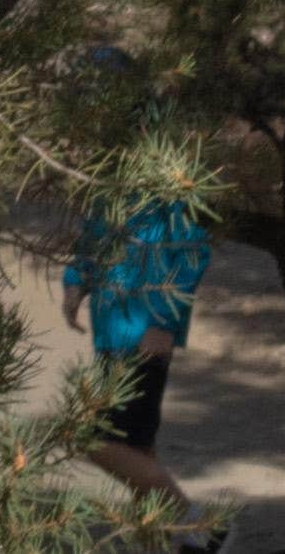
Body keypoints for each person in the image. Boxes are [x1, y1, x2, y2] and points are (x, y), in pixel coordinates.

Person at [60, 189, 218, 544]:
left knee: (98, 442)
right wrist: (74, 285)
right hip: (110, 338)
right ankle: (167, 541)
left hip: (146, 338)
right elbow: (91, 244)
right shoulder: (111, 188)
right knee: (138, 450)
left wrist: (163, 321)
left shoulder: (170, 189)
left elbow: (194, 252)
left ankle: (203, 531)